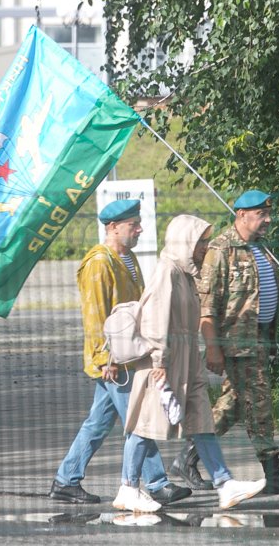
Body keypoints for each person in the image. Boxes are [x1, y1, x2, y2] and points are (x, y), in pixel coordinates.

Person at [113, 215, 267, 513]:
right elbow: (156, 319)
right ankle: (128, 487)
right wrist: (158, 360)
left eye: (207, 241)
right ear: (186, 241)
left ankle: (225, 484)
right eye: (201, 242)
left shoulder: (186, 274)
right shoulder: (166, 272)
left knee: (201, 420)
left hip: (187, 359)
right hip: (165, 361)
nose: (205, 247)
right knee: (148, 424)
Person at [48, 199, 191, 506]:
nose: (139, 230)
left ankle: (65, 480)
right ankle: (156, 483)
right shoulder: (100, 262)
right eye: (132, 225)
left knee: (99, 423)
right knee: (139, 419)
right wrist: (104, 360)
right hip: (114, 361)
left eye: (138, 224)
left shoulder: (127, 258)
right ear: (112, 228)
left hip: (127, 355)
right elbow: (95, 314)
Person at [169, 190, 279, 495]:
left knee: (232, 406)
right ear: (242, 214)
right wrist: (214, 348)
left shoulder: (261, 248)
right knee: (259, 405)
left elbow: (268, 293)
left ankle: (187, 457)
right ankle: (274, 473)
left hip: (259, 341)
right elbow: (207, 306)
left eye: (268, 213)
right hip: (236, 344)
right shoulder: (221, 250)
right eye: (261, 214)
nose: (268, 220)